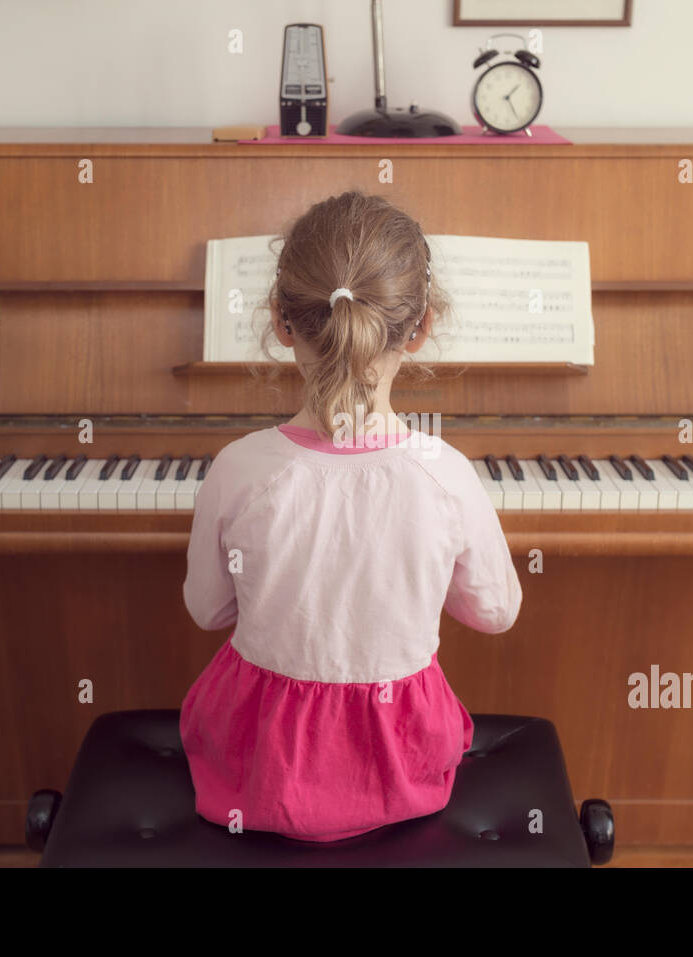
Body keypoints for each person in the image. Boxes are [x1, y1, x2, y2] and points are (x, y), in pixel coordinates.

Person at [180, 190, 522, 842]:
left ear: (284, 324)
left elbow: (207, 610)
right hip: (400, 766)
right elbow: (496, 612)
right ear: (419, 328)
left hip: (261, 766)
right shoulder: (444, 473)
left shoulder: (239, 467)